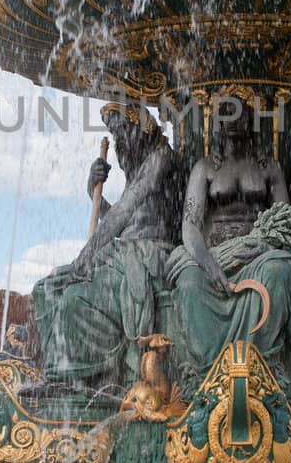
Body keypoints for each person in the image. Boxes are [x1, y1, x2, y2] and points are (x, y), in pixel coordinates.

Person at [166, 92, 291, 389]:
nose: (232, 120)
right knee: (188, 282)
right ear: (217, 124)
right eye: (225, 113)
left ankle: (261, 365)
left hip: (260, 252)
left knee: (281, 270)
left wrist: (263, 245)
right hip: (214, 255)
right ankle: (209, 372)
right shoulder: (205, 168)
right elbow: (190, 225)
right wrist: (209, 265)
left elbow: (289, 221)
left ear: (251, 121)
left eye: (238, 113)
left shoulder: (268, 168)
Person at [30, 103, 181, 389]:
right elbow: (126, 221)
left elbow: (124, 213)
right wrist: (93, 193)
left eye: (123, 132)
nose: (118, 142)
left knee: (75, 299)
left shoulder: (161, 159)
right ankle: (57, 373)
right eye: (114, 134)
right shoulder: (136, 172)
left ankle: (83, 378)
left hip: (149, 256)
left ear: (143, 130)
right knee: (46, 290)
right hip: (121, 252)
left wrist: (87, 253)